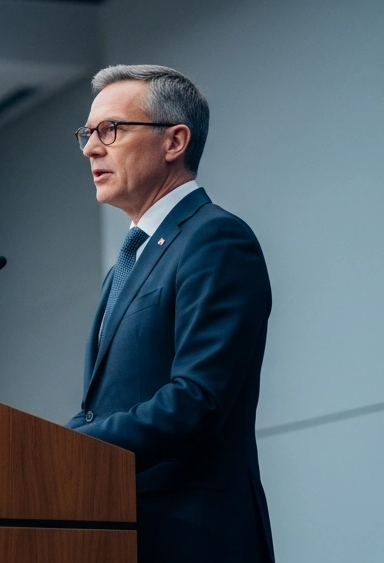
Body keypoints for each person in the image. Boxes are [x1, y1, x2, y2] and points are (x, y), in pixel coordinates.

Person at [67, 65, 274, 563]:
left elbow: (197, 400)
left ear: (174, 141)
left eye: (111, 130)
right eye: (88, 134)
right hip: (125, 530)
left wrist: (66, 447)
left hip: (193, 535)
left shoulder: (215, 239)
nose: (93, 148)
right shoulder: (133, 258)